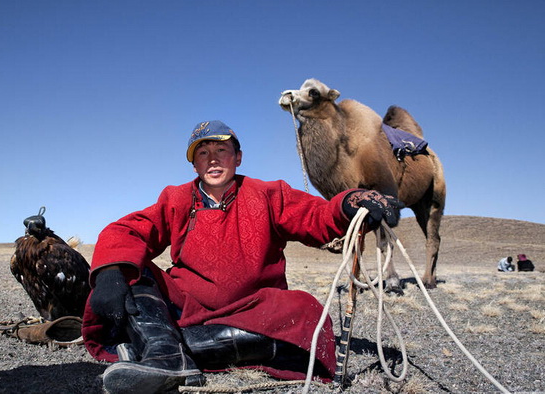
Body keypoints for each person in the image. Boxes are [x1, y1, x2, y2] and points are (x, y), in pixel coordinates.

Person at [82, 120, 404, 393]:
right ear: (194, 164)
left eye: (221, 151)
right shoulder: (176, 198)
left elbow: (316, 216)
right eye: (203, 153)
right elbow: (128, 230)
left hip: (254, 310)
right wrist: (110, 272)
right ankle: (171, 353)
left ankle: (165, 350)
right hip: (187, 308)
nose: (212, 160)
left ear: (238, 157)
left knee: (305, 312)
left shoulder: (268, 193)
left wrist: (350, 203)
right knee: (130, 268)